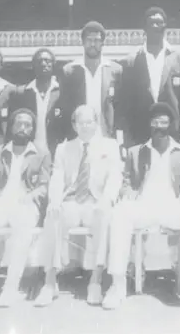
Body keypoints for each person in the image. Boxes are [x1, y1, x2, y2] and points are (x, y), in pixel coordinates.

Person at [102, 103, 180, 311]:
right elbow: (126, 182)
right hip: (144, 205)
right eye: (155, 122)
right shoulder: (136, 152)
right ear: (149, 124)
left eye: (164, 122)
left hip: (172, 206)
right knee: (119, 213)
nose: (159, 126)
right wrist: (127, 192)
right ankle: (117, 285)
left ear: (171, 124)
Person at [35, 105, 122, 307]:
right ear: (74, 125)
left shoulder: (109, 146)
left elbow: (115, 177)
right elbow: (57, 178)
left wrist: (107, 199)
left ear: (96, 123)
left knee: (105, 216)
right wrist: (54, 201)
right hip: (72, 201)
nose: (85, 127)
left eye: (89, 122)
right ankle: (49, 283)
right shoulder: (63, 148)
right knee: (53, 216)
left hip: (95, 202)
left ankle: (96, 281)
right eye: (80, 123)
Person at [0, 108, 52, 308]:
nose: (23, 128)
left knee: (22, 228)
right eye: (19, 124)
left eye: (28, 125)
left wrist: (29, 196)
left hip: (26, 204)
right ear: (11, 127)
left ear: (33, 129)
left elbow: (44, 186)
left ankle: (10, 287)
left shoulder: (42, 154)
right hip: (1, 203)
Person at [116, 7, 180, 148]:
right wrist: (127, 139)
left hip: (172, 133)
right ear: (144, 28)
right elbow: (125, 105)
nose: (156, 26)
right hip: (140, 134)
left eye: (159, 22)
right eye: (151, 23)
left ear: (165, 26)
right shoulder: (131, 61)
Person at [61, 21, 123, 140]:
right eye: (89, 40)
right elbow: (66, 108)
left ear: (103, 43)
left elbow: (119, 109)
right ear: (83, 42)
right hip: (80, 136)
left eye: (97, 40)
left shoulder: (115, 70)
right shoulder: (70, 71)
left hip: (105, 135)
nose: (93, 44)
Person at [3, 48, 69, 157]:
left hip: (56, 153)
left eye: (47, 61)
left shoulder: (62, 93)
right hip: (28, 152)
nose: (43, 63)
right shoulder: (21, 93)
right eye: (39, 61)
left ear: (53, 65)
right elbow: (12, 125)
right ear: (33, 66)